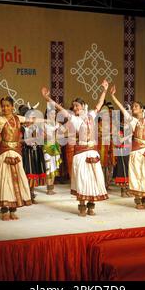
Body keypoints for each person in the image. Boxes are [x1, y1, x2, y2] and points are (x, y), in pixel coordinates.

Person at [41, 81, 109, 216]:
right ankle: (82, 206)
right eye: (74, 106)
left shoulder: (91, 115)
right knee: (82, 180)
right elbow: (60, 108)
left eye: (77, 106)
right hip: (81, 154)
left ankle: (91, 206)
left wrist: (105, 90)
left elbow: (100, 104)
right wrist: (47, 98)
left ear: (83, 106)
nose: (75, 108)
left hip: (93, 153)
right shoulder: (74, 119)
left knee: (93, 180)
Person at [0, 96, 46, 220]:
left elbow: (33, 119)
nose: (5, 108)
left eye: (7, 105)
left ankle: (13, 209)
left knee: (16, 181)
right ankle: (4, 210)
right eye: (3, 106)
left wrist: (48, 120)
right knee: (4, 180)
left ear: (12, 107)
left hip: (16, 153)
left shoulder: (18, 118)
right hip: (4, 153)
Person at [19, 104, 46, 203]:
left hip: (36, 152)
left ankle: (32, 193)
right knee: (27, 173)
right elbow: (18, 141)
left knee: (34, 173)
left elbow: (44, 137)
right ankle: (26, 195)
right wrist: (28, 140)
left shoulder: (37, 127)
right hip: (26, 152)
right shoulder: (21, 128)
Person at [43, 104, 62, 195]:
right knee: (48, 167)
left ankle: (51, 187)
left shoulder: (58, 125)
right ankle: (48, 188)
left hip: (55, 147)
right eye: (51, 114)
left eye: (54, 114)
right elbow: (41, 137)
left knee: (54, 167)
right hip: (47, 146)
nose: (53, 115)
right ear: (47, 114)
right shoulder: (44, 124)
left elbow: (62, 135)